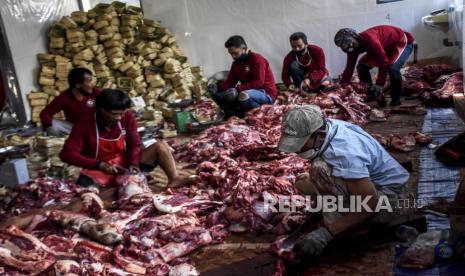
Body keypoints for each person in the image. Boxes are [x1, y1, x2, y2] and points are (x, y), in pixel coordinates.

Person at [278, 105, 410, 258]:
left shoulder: (344, 154)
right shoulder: (327, 127)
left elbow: (371, 205)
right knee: (303, 182)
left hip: (388, 201)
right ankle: (331, 210)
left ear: (319, 135)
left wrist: (326, 233)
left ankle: (338, 220)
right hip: (370, 187)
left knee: (319, 169)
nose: (297, 150)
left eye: (300, 144)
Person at [60, 89, 198, 188]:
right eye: (114, 114)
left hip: (124, 162)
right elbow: (67, 154)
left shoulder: (127, 117)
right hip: (99, 167)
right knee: (85, 191)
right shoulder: (84, 123)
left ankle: (174, 178)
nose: (119, 118)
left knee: (160, 146)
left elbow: (134, 143)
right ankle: (123, 187)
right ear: (101, 111)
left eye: (122, 113)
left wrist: (133, 163)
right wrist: (100, 165)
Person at [334, 25, 414, 106]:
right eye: (346, 46)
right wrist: (343, 83)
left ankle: (396, 98)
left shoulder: (369, 39)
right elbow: (349, 66)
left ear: (355, 37)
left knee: (393, 68)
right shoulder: (352, 48)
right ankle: (370, 93)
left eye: (352, 44)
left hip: (400, 42)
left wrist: (380, 84)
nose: (351, 46)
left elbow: (383, 62)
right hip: (383, 47)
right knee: (362, 66)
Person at [209, 35, 277, 118]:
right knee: (219, 96)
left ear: (244, 49)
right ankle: (239, 115)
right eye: (231, 54)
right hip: (247, 92)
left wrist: (238, 89)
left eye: (235, 53)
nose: (233, 56)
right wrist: (217, 88)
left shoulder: (257, 59)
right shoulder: (236, 64)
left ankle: (260, 116)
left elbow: (259, 82)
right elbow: (230, 82)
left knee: (243, 95)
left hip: (266, 93)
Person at [40, 68, 101, 136]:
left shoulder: (96, 92)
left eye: (91, 81)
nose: (92, 84)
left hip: (95, 128)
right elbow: (45, 113)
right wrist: (49, 127)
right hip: (75, 128)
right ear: (77, 85)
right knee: (51, 124)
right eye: (89, 81)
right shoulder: (64, 98)